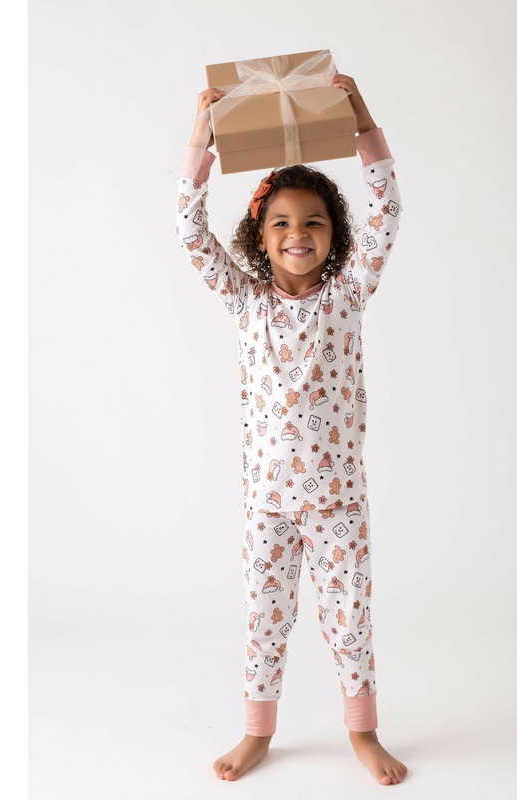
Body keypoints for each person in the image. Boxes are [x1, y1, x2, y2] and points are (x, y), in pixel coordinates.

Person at [175, 74, 407, 786]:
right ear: (259, 236)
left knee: (349, 620)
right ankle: (257, 733)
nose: (298, 234)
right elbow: (190, 233)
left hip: (337, 503)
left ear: (335, 235)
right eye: (281, 223)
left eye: (314, 222)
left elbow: (388, 209)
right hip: (268, 504)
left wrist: (361, 118)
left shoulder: (349, 293)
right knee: (264, 621)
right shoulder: (246, 302)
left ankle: (363, 733)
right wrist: (201, 143)